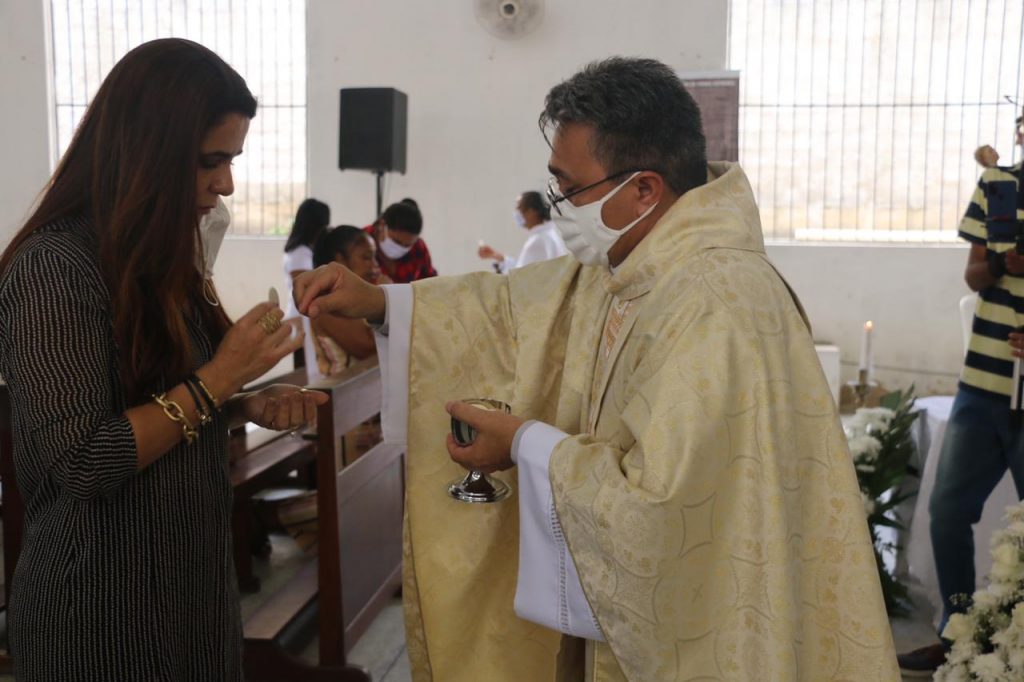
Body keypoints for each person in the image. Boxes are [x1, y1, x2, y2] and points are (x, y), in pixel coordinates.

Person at [295, 57, 898, 681]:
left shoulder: (717, 302)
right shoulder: (632, 264)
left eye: (570, 187)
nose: (558, 205)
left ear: (644, 189)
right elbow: (507, 309)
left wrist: (525, 445)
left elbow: (661, 515)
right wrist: (381, 303)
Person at [0, 38, 327, 680]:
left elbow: (158, 404)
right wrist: (222, 376)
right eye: (210, 161)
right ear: (146, 151)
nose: (226, 183)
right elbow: (84, 461)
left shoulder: (156, 258)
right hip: (97, 614)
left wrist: (244, 404)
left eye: (231, 160)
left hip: (189, 595)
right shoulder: (53, 269)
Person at [897, 112, 1024, 676]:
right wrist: (999, 262)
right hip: (983, 387)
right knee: (947, 511)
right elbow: (973, 276)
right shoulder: (999, 186)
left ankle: (1015, 645)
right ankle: (959, 633)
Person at [309, 225, 382, 374]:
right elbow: (369, 349)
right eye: (366, 257)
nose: (375, 265)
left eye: (375, 257)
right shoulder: (327, 302)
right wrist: (384, 297)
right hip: (345, 386)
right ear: (340, 260)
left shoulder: (359, 295)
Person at [477, 190, 568, 272]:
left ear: (532, 211)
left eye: (519, 208)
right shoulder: (548, 235)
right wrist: (497, 257)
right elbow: (523, 270)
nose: (517, 213)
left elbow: (520, 278)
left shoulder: (538, 241)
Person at [366, 200, 437, 283]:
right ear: (382, 225)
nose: (401, 248)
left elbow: (431, 280)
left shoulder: (418, 247)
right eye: (396, 242)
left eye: (407, 245)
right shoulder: (361, 243)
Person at [282, 197, 330, 318]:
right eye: (324, 225)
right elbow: (305, 291)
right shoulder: (300, 253)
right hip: (300, 318)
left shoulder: (304, 250)